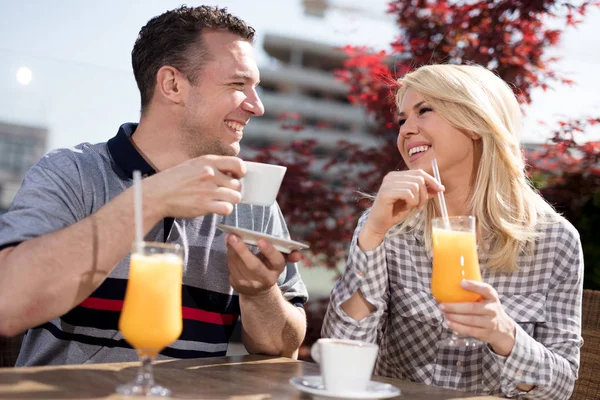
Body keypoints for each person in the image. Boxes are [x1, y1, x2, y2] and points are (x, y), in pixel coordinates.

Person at [0, 5, 308, 366]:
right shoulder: (73, 173)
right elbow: (9, 302)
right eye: (238, 85)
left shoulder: (252, 198)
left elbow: (283, 349)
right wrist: (148, 200)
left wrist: (259, 293)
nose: (258, 107)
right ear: (172, 84)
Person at [322, 64, 583, 399]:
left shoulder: (555, 241)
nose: (405, 130)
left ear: (476, 122)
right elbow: (342, 356)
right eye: (403, 119)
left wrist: (505, 335)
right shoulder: (388, 225)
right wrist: (372, 235)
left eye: (424, 111)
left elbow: (561, 390)